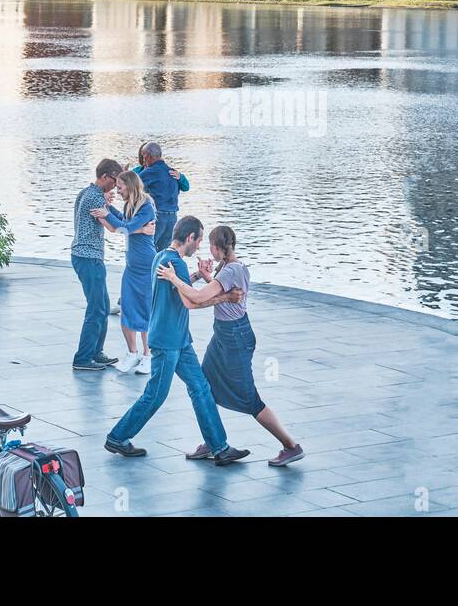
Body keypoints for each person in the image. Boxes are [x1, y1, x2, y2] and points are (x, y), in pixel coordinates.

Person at [105, 216, 250, 466]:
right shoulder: (176, 265)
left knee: (200, 387)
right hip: (168, 340)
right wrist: (225, 298)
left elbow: (176, 289)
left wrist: (195, 275)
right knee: (155, 395)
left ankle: (220, 447)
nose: (200, 245)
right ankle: (117, 437)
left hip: (179, 339)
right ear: (190, 237)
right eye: (199, 239)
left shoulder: (162, 257)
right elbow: (190, 302)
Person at [157, 225, 304, 467]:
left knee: (249, 399)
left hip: (235, 338)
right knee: (204, 386)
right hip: (223, 336)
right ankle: (214, 441)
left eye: (210, 246)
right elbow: (218, 290)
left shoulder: (229, 271)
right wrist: (205, 277)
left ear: (217, 247)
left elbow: (198, 298)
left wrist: (174, 278)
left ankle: (291, 446)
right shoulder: (229, 267)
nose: (208, 250)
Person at [91, 170, 157, 375]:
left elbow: (126, 227)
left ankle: (148, 356)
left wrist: (107, 214)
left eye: (120, 187)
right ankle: (132, 353)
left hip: (146, 266)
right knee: (127, 308)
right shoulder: (131, 205)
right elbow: (125, 223)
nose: (117, 191)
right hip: (131, 266)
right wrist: (108, 208)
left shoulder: (146, 206)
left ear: (130, 186)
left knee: (145, 311)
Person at [71, 159, 126, 371]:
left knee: (102, 305)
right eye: (114, 180)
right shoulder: (94, 197)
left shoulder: (87, 192)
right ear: (104, 176)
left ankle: (96, 352)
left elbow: (111, 211)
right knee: (96, 308)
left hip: (86, 256)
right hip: (88, 257)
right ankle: (83, 358)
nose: (115, 185)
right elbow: (114, 224)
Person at [134, 142, 189, 252]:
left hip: (157, 218)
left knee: (146, 249)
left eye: (144, 156)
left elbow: (131, 187)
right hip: (172, 219)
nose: (143, 160)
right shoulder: (172, 172)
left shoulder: (148, 172)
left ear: (147, 156)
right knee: (163, 253)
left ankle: (145, 269)